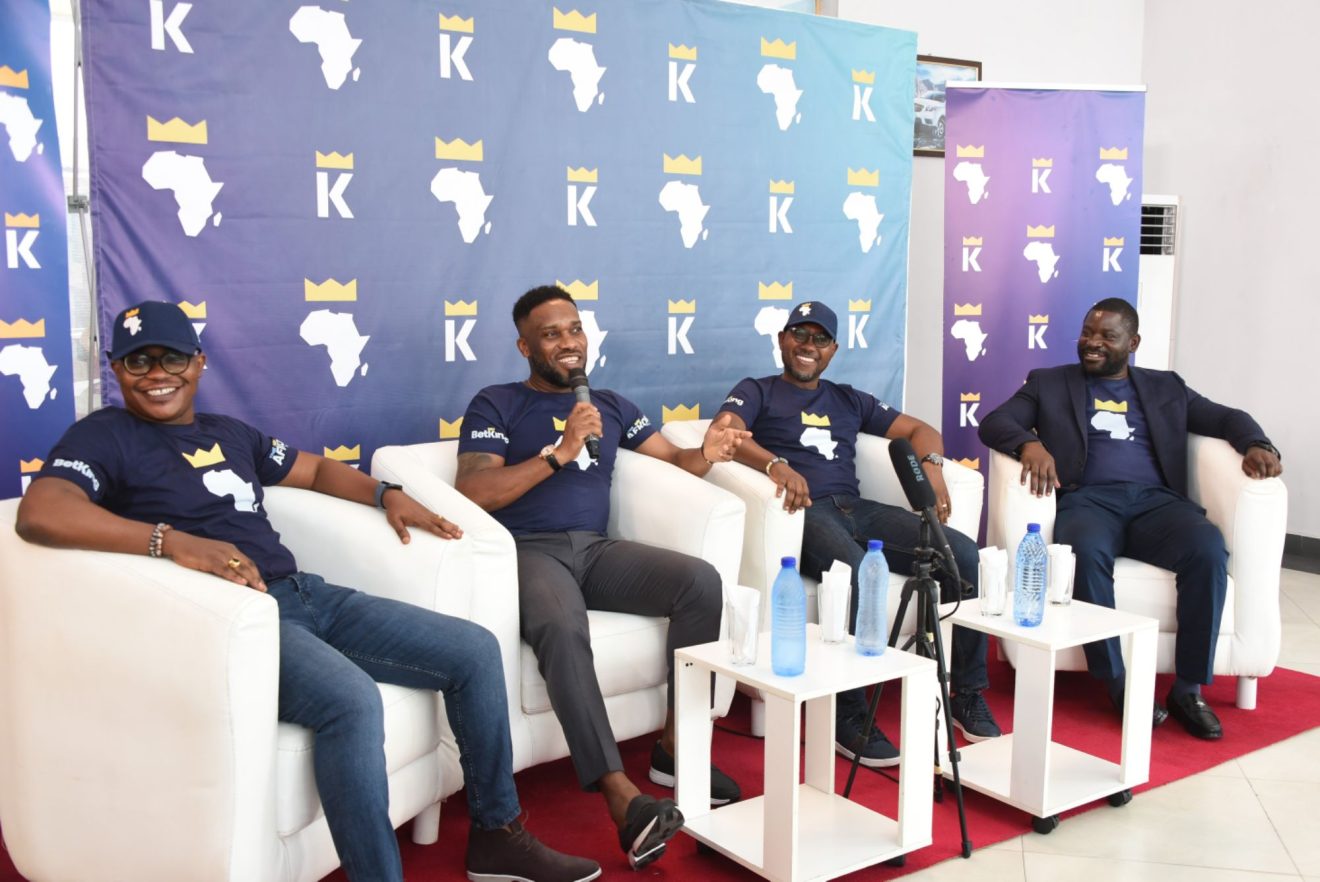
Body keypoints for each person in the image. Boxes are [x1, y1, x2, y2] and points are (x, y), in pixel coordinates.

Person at [14, 301, 600, 882]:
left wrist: (385, 494)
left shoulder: (227, 432)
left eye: (171, 358)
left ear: (198, 362)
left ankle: (496, 835)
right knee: (351, 700)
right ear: (117, 369)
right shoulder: (103, 436)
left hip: (305, 594)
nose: (156, 374)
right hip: (236, 618)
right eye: (138, 362)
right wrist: (170, 542)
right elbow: (40, 511)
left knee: (473, 650)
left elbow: (315, 470)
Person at [454, 284, 750, 870]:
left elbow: (675, 461)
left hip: (595, 550)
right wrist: (559, 452)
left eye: (574, 329)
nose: (568, 343)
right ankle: (620, 797)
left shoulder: (612, 404)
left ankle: (674, 748)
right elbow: (475, 490)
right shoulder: (497, 403)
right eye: (551, 334)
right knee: (563, 628)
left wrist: (708, 453)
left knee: (699, 582)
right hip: (528, 551)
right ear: (525, 347)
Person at [978, 297, 1283, 740]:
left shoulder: (1166, 387)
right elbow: (995, 421)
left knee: (1207, 550)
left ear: (1133, 343)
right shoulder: (1049, 383)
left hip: (1157, 503)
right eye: (1087, 332)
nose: (1093, 342)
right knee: (1084, 552)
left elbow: (1226, 418)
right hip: (1088, 501)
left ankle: (1188, 689)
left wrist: (1257, 443)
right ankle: (1118, 683)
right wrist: (1030, 444)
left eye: (1107, 336)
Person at [717, 300, 1001, 769]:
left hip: (858, 508)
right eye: (799, 334)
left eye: (820, 339)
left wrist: (931, 469)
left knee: (963, 556)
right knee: (851, 570)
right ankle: (847, 712)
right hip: (803, 512)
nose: (808, 346)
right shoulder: (757, 390)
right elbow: (724, 433)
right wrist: (774, 464)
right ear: (782, 339)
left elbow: (920, 430)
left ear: (833, 350)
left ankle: (966, 692)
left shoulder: (848, 399)